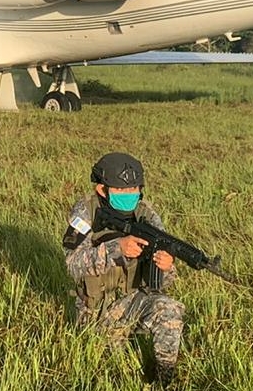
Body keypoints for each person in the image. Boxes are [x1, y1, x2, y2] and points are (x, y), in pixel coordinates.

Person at [62, 152, 185, 385]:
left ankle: (164, 378)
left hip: (132, 300)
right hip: (95, 311)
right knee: (113, 372)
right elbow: (72, 264)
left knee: (170, 309)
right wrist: (116, 248)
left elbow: (164, 283)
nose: (129, 195)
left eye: (134, 189)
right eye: (120, 191)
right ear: (102, 189)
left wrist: (167, 266)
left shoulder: (146, 215)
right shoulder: (86, 212)